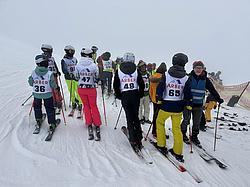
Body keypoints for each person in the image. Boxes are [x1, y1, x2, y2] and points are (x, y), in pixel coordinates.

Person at [156, 53, 190, 162]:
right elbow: (188, 92)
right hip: (178, 107)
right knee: (177, 129)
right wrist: (188, 103)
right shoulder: (186, 77)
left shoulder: (166, 74)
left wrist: (159, 98)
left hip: (166, 105)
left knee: (160, 122)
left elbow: (160, 87)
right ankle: (178, 152)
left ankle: (161, 145)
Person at [181, 61, 224, 146]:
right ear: (193, 68)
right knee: (186, 120)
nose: (198, 70)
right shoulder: (189, 78)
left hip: (199, 105)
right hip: (188, 104)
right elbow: (186, 90)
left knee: (197, 122)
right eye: (197, 68)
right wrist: (188, 100)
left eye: (200, 68)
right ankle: (182, 134)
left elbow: (212, 89)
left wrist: (218, 98)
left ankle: (194, 137)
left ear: (202, 69)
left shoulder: (205, 79)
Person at [113, 52, 145, 150]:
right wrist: (140, 94)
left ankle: (132, 138)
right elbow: (141, 83)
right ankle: (139, 137)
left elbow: (115, 85)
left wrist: (119, 95)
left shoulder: (119, 70)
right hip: (135, 94)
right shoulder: (136, 70)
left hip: (125, 95)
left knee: (129, 117)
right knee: (135, 117)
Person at [75, 48, 102, 140]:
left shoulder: (78, 65)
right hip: (91, 88)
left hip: (81, 89)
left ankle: (89, 122)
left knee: (86, 106)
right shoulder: (94, 66)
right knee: (93, 106)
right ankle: (97, 123)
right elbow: (97, 78)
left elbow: (76, 77)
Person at [28, 54, 58, 131]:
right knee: (50, 108)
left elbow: (31, 83)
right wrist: (55, 87)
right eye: (46, 62)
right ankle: (52, 123)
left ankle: (38, 119)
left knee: (37, 107)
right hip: (47, 95)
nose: (47, 63)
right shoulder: (49, 73)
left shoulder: (34, 73)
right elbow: (52, 85)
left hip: (37, 95)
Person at [41, 44, 62, 112]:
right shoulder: (42, 58)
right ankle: (54, 101)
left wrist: (58, 71)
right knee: (51, 90)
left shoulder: (52, 58)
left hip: (54, 75)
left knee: (56, 88)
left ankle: (59, 100)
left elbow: (54, 65)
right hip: (48, 76)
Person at [61, 45, 82, 113]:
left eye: (73, 51)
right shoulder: (64, 60)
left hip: (76, 77)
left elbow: (77, 67)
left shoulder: (75, 59)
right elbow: (64, 70)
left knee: (78, 90)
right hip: (69, 78)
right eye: (71, 51)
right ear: (67, 51)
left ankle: (80, 103)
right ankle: (73, 102)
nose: (72, 52)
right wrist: (69, 74)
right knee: (71, 90)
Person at [149, 62, 167, 137]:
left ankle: (154, 131)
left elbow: (150, 89)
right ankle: (158, 132)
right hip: (160, 99)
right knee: (160, 117)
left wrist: (151, 97)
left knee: (155, 115)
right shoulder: (163, 77)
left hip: (154, 99)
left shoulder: (153, 76)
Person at [137, 60, 151, 124]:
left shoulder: (148, 74)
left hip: (147, 93)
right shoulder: (137, 74)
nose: (143, 68)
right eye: (142, 67)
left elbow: (150, 83)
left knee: (147, 107)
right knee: (139, 107)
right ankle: (140, 119)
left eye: (144, 66)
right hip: (139, 94)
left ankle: (146, 118)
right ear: (139, 67)